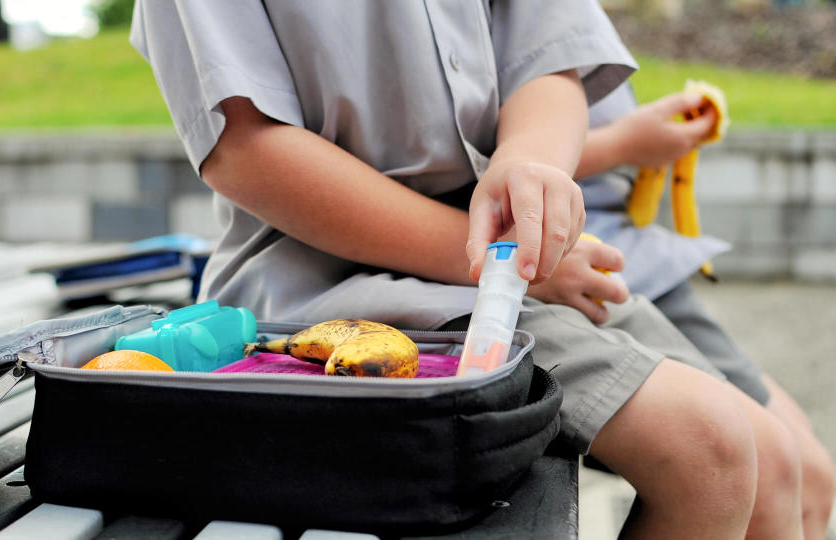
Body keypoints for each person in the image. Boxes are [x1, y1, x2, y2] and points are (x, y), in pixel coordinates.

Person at [131, 1, 806, 537]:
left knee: (777, 469)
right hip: (333, 282)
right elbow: (246, 152)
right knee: (707, 452)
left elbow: (550, 63)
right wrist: (502, 259)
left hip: (522, 257)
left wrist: (528, 167)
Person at [577, 82, 835, 539]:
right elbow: (468, 169)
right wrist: (623, 144)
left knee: (810, 476)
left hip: (636, 262)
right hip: (578, 273)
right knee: (763, 472)